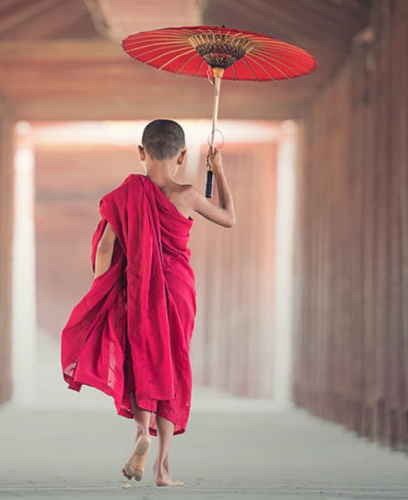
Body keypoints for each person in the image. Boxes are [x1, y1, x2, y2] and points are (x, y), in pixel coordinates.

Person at [60, 119, 236, 487]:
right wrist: (218, 171)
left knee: (142, 359)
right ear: (183, 154)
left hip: (138, 289)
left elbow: (107, 246)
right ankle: (163, 469)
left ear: (141, 153)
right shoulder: (188, 195)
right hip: (179, 291)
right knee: (172, 365)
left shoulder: (127, 193)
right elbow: (228, 218)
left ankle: (141, 433)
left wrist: (102, 289)